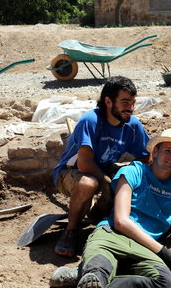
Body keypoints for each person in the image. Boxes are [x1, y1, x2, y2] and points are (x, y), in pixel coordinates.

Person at [51, 128, 171, 288]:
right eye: (168, 151)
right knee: (99, 268)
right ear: (154, 152)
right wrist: (163, 251)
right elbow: (121, 220)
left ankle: (87, 280)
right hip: (112, 235)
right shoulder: (133, 171)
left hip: (143, 248)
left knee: (165, 285)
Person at [52, 76, 150, 257]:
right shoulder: (91, 120)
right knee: (89, 184)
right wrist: (106, 183)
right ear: (108, 101)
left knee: (127, 176)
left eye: (133, 102)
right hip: (71, 172)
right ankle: (71, 232)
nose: (131, 108)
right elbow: (84, 163)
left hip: (102, 168)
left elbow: (147, 157)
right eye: (125, 102)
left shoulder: (132, 125)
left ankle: (100, 214)